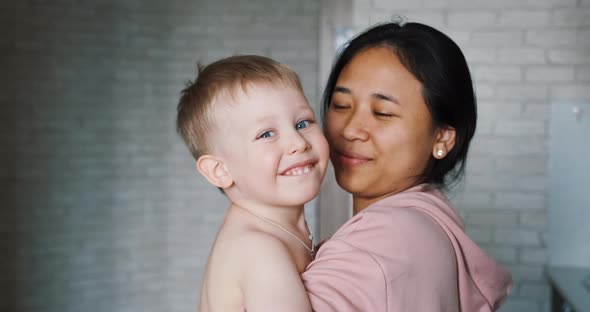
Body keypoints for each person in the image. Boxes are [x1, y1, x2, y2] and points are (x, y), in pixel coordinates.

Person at [301, 21, 513, 311]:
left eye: (383, 113)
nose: (351, 129)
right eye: (340, 105)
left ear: (442, 136)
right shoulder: (432, 220)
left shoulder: (384, 239)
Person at [176, 55, 329, 312]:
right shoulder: (259, 250)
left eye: (303, 123)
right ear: (220, 170)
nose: (298, 142)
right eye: (266, 134)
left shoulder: (271, 230)